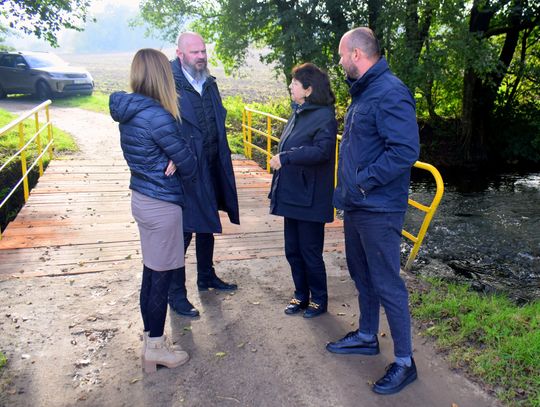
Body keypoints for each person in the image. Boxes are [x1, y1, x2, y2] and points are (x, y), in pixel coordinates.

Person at [326, 27, 420, 395]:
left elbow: (404, 151)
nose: (339, 62)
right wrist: (347, 192)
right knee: (361, 274)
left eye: (341, 55)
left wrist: (363, 182)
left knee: (387, 283)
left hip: (379, 207)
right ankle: (367, 335)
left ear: (356, 55)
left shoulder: (390, 92)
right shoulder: (364, 92)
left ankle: (404, 362)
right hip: (358, 204)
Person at [109, 48, 198, 372]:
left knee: (150, 272)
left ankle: (150, 342)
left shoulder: (130, 112)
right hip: (162, 204)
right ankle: (157, 348)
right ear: (161, 76)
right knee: (160, 278)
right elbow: (190, 165)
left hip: (142, 199)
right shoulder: (157, 115)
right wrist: (182, 155)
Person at [168, 32, 240, 317]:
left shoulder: (208, 83)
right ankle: (176, 294)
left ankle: (206, 276)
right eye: (194, 52)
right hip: (184, 169)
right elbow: (162, 125)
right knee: (183, 232)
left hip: (210, 163)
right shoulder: (169, 83)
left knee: (208, 222)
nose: (201, 56)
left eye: (203, 51)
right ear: (180, 53)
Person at [268, 63, 337, 318]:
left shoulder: (324, 116)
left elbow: (322, 151)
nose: (290, 87)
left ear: (308, 89)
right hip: (292, 194)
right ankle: (300, 295)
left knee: (310, 252)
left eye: (294, 84)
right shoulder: (298, 112)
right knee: (292, 250)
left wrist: (286, 157)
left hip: (310, 198)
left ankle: (319, 300)